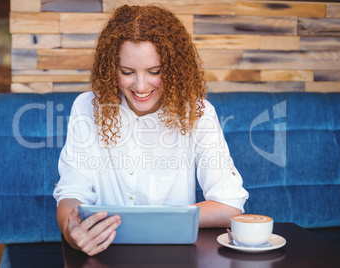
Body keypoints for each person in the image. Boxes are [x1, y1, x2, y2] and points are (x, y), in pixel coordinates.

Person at [53, 4, 248, 256]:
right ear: (111, 68)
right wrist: (71, 232)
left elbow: (230, 204)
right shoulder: (87, 107)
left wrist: (161, 220)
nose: (141, 85)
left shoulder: (198, 112)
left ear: (174, 68)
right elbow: (71, 193)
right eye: (127, 72)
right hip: (105, 253)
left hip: (174, 255)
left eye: (155, 72)